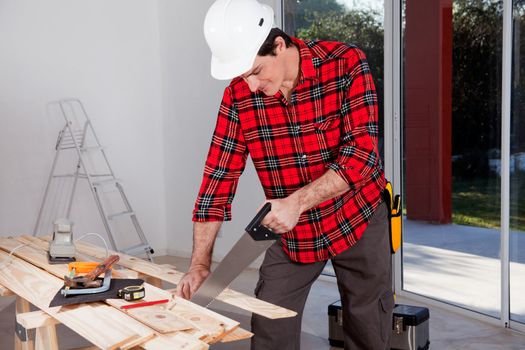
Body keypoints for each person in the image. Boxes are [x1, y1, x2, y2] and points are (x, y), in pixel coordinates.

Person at [175, 0, 394, 349]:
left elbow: (362, 156)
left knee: (368, 327)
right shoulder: (238, 97)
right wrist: (200, 265)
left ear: (279, 45)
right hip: (292, 233)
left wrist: (297, 202)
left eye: (255, 71)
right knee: (268, 328)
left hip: (358, 217)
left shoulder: (345, 64)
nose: (249, 86)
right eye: (242, 76)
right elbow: (217, 180)